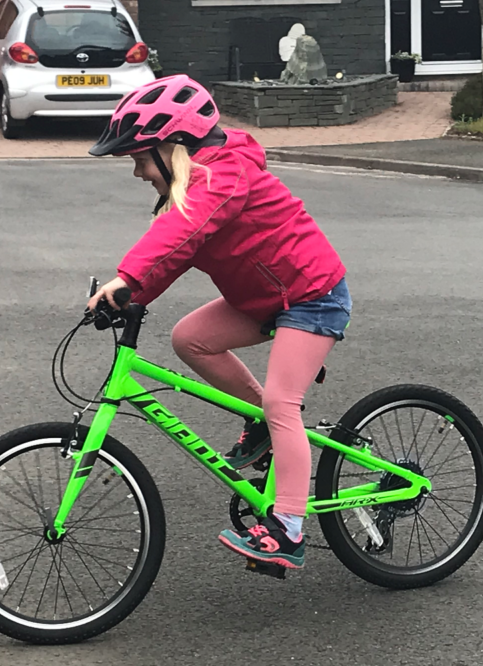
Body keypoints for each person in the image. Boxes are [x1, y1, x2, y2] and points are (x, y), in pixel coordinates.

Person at [87, 74, 351, 571]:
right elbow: (176, 252)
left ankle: (288, 528)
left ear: (175, 148)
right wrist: (131, 296)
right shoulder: (194, 188)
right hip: (264, 300)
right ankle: (261, 422)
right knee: (191, 338)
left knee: (282, 401)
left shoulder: (223, 176)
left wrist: (126, 278)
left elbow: (181, 233)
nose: (138, 172)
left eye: (142, 160)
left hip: (313, 297)